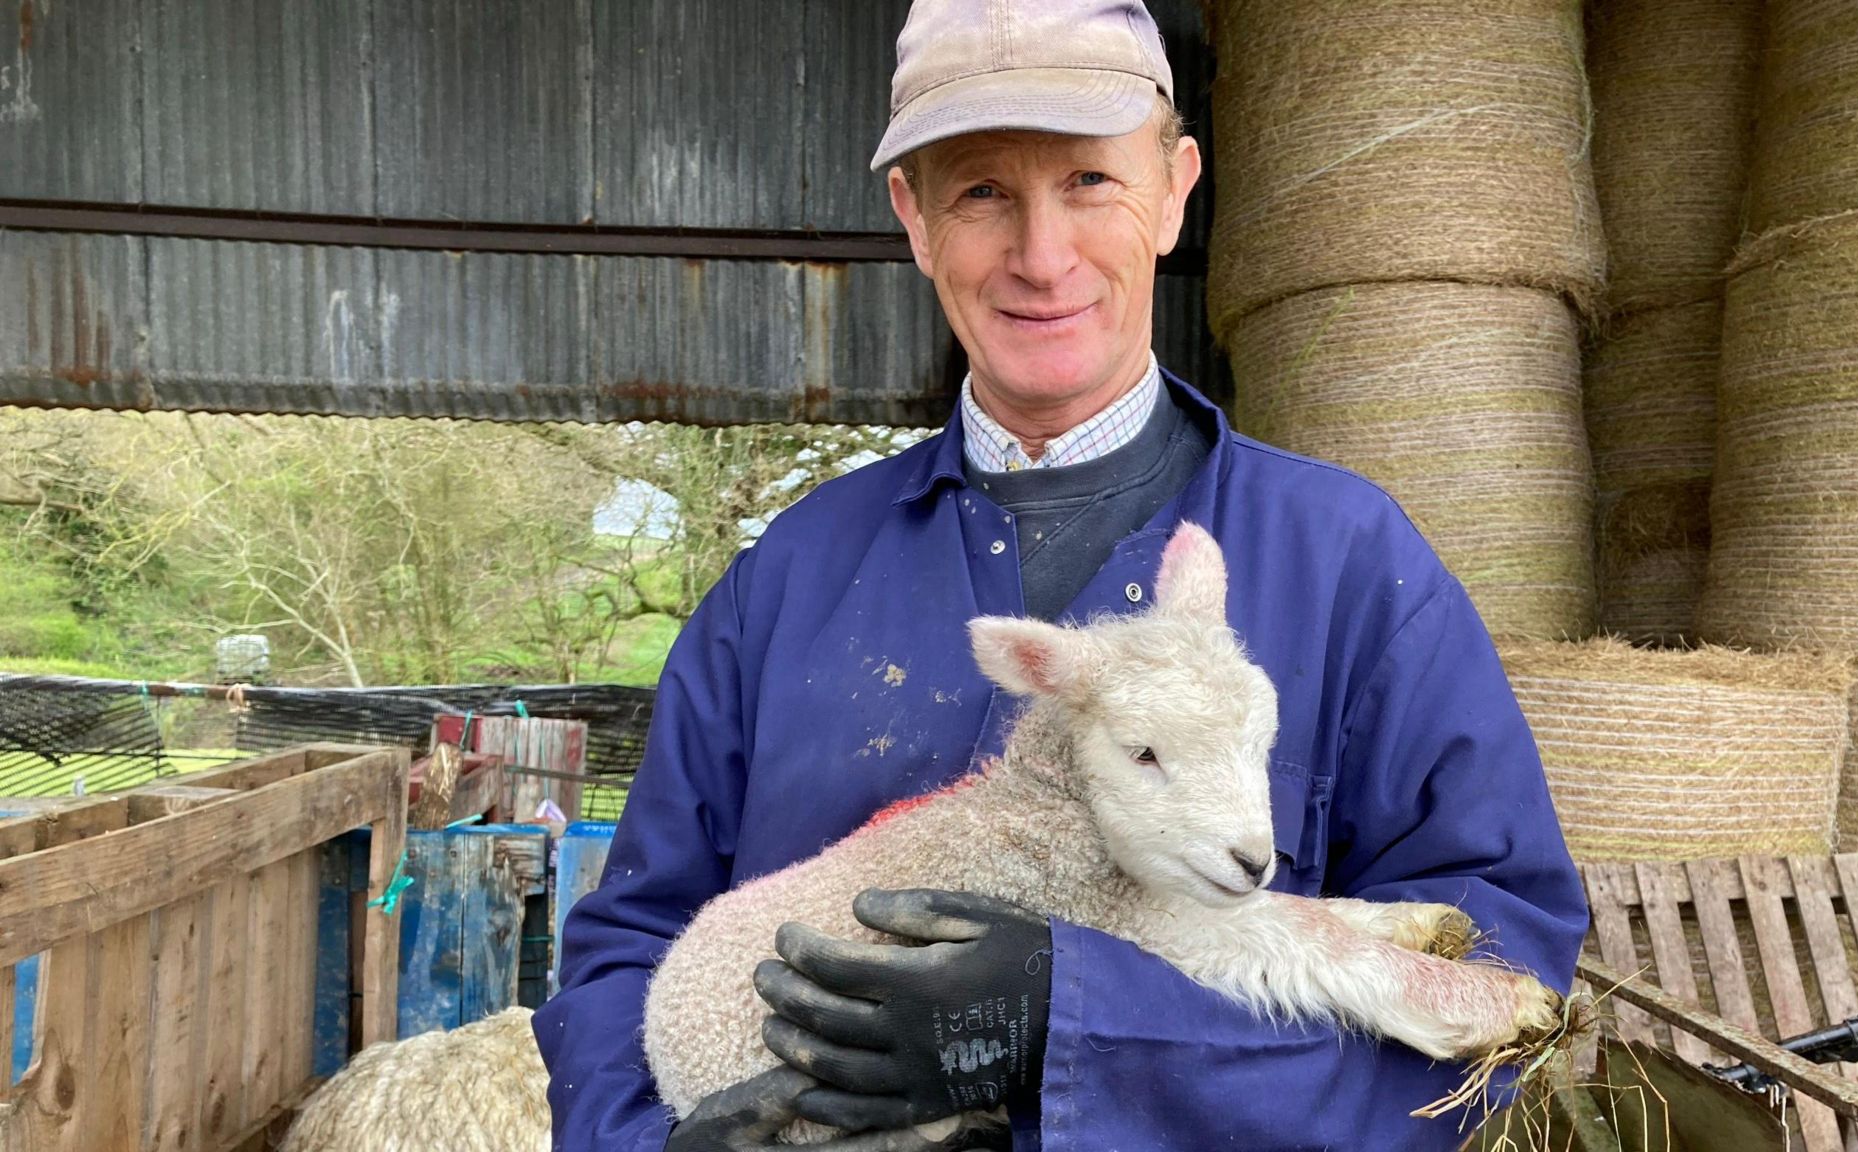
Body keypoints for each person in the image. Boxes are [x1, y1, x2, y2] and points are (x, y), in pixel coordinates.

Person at [534, 0, 1589, 1148]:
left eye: (1090, 180)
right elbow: (625, 942)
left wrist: (1083, 1025)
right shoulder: (784, 582)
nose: (1041, 259)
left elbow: (1501, 979)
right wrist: (650, 1142)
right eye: (982, 191)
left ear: (1176, 189)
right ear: (914, 217)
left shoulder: (1347, 562)